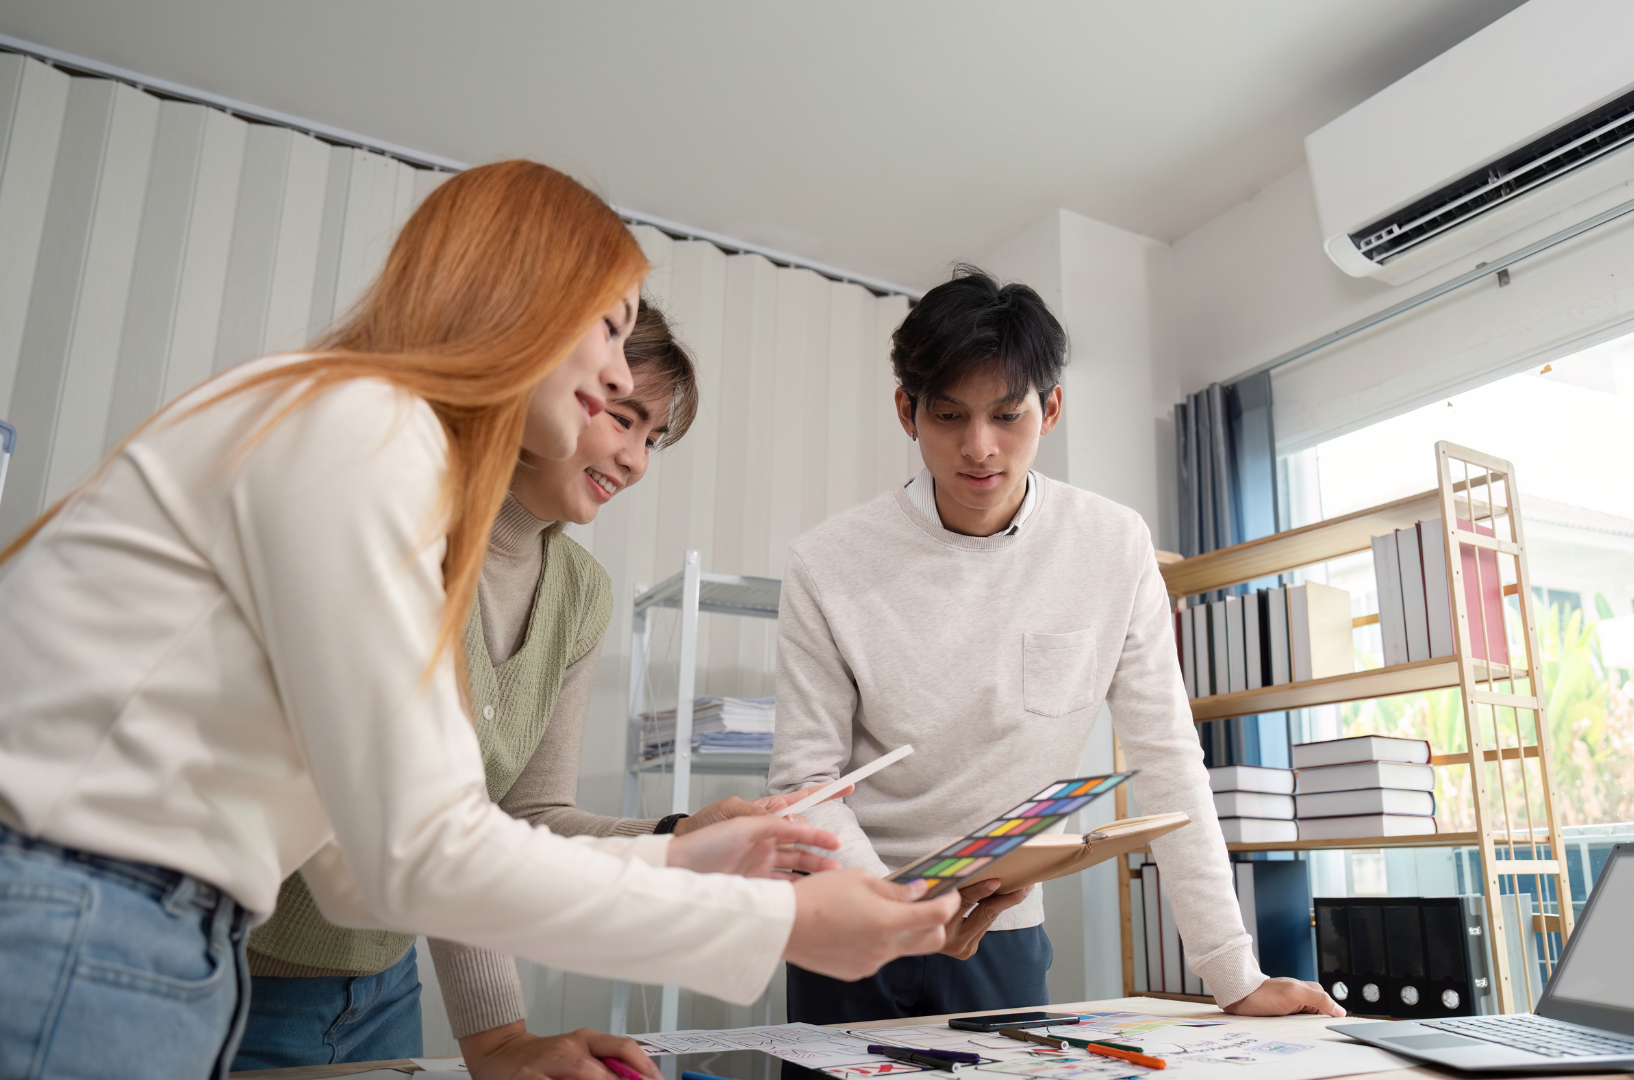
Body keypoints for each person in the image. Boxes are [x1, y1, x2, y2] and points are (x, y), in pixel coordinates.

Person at [0, 161, 958, 1080]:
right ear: (522, 298)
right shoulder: (369, 427)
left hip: (156, 928)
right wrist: (779, 926)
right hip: (88, 908)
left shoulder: (372, 447)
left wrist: (680, 855)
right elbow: (424, 850)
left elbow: (366, 870)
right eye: (613, 330)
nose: (618, 375)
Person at [235, 302, 833, 1075]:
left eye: (653, 440)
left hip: (383, 986)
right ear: (547, 386)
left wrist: (678, 836)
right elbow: (438, 829)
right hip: (241, 972)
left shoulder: (580, 593)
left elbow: (526, 820)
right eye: (622, 418)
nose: (636, 460)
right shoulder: (401, 524)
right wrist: (498, 1038)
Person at [768, 266, 1344, 1024]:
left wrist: (1232, 973)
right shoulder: (829, 562)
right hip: (849, 922)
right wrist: (895, 908)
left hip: (999, 936)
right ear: (908, 412)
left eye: (1008, 416)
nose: (979, 448)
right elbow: (805, 782)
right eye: (949, 416)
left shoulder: (1111, 545)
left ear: (1052, 408)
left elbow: (1166, 755)